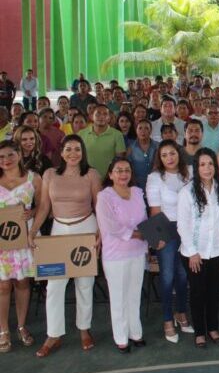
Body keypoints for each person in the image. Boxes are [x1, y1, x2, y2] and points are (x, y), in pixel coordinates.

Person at [29, 136, 100, 357]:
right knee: (54, 286)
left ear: (83, 152)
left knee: (85, 284)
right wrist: (32, 231)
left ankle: (84, 329)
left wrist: (101, 234)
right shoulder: (50, 174)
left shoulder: (91, 174)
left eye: (77, 149)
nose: (73, 153)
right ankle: (54, 334)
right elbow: (43, 207)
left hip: (86, 229)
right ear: (61, 152)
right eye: (68, 149)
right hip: (59, 230)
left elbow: (100, 207)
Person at [177, 148, 219, 348]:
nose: (207, 168)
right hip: (194, 254)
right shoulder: (187, 192)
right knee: (198, 293)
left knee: (213, 291)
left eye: (210, 164)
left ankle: (213, 328)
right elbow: (182, 225)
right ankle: (200, 332)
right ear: (196, 167)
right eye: (202, 164)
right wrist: (192, 252)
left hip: (217, 250)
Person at [95, 157, 148, 353]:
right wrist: (137, 234)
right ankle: (121, 337)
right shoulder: (104, 197)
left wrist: (149, 235)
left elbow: (144, 219)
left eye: (127, 170)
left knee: (134, 295)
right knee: (118, 297)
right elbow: (111, 227)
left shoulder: (137, 192)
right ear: (110, 174)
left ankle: (136, 332)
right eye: (118, 170)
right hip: (115, 254)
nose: (123, 174)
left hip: (137, 251)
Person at [146, 140, 193, 343]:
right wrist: (159, 239)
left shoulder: (190, 171)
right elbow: (154, 211)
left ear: (178, 154)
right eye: (164, 155)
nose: (169, 158)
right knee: (167, 277)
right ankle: (167, 319)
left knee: (183, 276)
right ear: (160, 158)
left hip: (188, 229)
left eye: (172, 153)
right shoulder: (155, 178)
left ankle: (181, 313)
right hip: (166, 229)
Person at [0, 140, 40, 354]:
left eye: (10, 155)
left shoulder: (34, 178)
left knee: (23, 283)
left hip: (24, 238)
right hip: (1, 242)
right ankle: (3, 330)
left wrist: (32, 213)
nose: (5, 160)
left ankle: (21, 326)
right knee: (3, 286)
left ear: (19, 154)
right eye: (1, 157)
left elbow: (44, 206)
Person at [79, 104, 126, 178]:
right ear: (91, 117)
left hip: (108, 180)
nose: (101, 117)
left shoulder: (117, 135)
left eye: (105, 114)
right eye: (98, 114)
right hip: (85, 178)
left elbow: (119, 161)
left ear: (109, 118)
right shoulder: (81, 133)